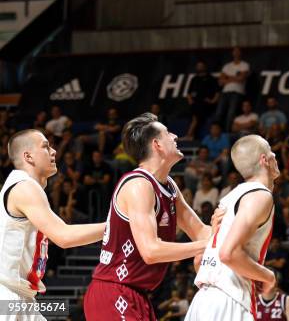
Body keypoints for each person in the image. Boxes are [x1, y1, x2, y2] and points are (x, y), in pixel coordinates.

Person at [84, 113, 220, 320]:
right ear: (157, 145)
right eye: (167, 133)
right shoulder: (139, 185)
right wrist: (211, 245)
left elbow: (200, 231)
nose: (175, 136)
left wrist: (232, 232)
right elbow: (151, 250)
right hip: (114, 290)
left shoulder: (169, 186)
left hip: (139, 295)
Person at [0, 129, 105, 312]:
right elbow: (64, 236)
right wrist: (120, 224)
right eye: (46, 147)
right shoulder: (25, 187)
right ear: (28, 156)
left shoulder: (25, 186)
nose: (54, 151)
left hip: (19, 297)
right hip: (8, 297)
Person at [187, 134, 279, 321]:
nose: (275, 154)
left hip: (202, 301)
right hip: (230, 300)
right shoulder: (260, 196)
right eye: (270, 150)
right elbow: (229, 253)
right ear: (264, 160)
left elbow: (199, 261)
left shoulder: (228, 198)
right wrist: (269, 277)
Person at [215, 47, 250, 131]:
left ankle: (227, 132)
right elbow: (220, 82)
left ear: (240, 53)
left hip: (237, 92)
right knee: (219, 113)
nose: (236, 53)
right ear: (232, 53)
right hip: (225, 92)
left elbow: (241, 79)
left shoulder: (244, 65)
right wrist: (235, 77)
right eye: (235, 51)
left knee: (231, 113)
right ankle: (216, 131)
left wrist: (227, 77)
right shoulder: (227, 66)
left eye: (238, 51)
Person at [186, 60, 220, 139]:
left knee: (196, 118)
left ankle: (189, 135)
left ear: (205, 67)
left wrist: (213, 101)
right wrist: (190, 101)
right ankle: (191, 135)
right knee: (194, 118)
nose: (199, 67)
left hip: (206, 104)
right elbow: (189, 93)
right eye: (198, 66)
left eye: (201, 65)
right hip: (195, 104)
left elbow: (217, 92)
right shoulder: (194, 79)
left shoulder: (211, 78)